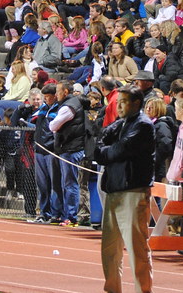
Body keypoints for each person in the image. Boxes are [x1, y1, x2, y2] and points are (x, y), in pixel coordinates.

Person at [95, 85, 155, 293]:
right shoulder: (120, 124)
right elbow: (100, 146)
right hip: (114, 188)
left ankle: (142, 290)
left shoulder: (143, 126)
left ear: (136, 103)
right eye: (118, 101)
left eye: (124, 102)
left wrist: (105, 151)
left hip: (133, 190)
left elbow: (119, 150)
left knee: (136, 247)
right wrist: (105, 149)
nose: (118, 106)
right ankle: (112, 288)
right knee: (110, 249)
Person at [49, 80, 87, 227]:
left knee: (70, 184)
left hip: (71, 149)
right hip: (67, 148)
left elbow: (53, 125)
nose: (56, 95)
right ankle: (64, 215)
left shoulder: (69, 106)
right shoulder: (70, 103)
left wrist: (51, 123)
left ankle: (71, 217)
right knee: (66, 184)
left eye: (58, 91)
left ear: (65, 92)